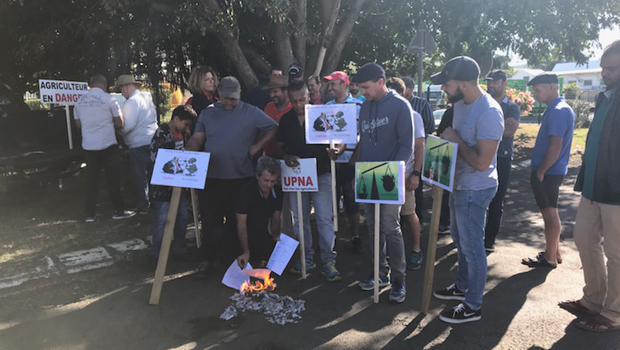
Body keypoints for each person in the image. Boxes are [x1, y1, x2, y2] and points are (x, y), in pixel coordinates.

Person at [430, 56, 504, 324]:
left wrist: (455, 140)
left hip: (476, 189)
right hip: (458, 185)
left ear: (462, 84)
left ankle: (473, 305)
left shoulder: (489, 112)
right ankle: (462, 287)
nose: (443, 89)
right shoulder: (460, 105)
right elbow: (451, 143)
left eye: (446, 84)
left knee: (473, 248)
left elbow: (483, 163)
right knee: (461, 244)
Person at [185, 76, 278, 279]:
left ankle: (236, 259)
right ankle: (209, 259)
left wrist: (256, 146)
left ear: (239, 96)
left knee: (239, 222)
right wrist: (190, 149)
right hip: (212, 177)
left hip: (241, 178)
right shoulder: (208, 114)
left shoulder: (250, 111)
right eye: (225, 98)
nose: (228, 102)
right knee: (210, 220)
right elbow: (197, 138)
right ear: (219, 95)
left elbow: (273, 127)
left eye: (233, 99)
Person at [560, 40, 620, 332]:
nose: (604, 72)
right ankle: (593, 300)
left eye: (611, 68)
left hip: (616, 192)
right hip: (593, 186)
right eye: (603, 67)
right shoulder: (605, 96)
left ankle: (614, 312)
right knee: (584, 239)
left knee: (617, 252)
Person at [351, 63, 414, 303]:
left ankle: (399, 278)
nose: (362, 92)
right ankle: (379, 272)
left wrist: (393, 171)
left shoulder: (400, 105)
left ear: (380, 82)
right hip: (367, 175)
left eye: (366, 87)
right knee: (372, 228)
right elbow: (365, 141)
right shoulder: (365, 107)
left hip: (389, 176)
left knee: (390, 227)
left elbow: (407, 145)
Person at [276, 80, 341, 282]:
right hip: (298, 175)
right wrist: (285, 156)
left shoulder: (323, 114)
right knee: (299, 220)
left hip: (322, 173)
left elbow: (340, 140)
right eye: (294, 101)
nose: (298, 105)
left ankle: (329, 261)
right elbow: (278, 146)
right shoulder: (286, 120)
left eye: (302, 100)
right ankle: (306, 258)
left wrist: (337, 150)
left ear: (309, 95)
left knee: (324, 218)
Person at [521, 73, 574, 269]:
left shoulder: (558, 111)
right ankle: (554, 252)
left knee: (549, 214)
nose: (535, 94)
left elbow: (556, 145)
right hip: (554, 170)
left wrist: (542, 169)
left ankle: (550, 257)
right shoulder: (560, 108)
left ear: (552, 86)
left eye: (538, 89)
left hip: (549, 171)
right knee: (551, 212)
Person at [74, 74, 135, 223]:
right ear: (104, 85)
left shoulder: (79, 101)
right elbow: (120, 123)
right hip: (107, 144)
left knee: (91, 181)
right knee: (113, 179)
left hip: (89, 146)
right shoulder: (109, 99)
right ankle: (118, 211)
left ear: (90, 85)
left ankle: (90, 214)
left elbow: (78, 125)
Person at [385, 77, 426, 270]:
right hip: (384, 176)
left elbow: (420, 145)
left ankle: (416, 250)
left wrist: (415, 174)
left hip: (404, 176)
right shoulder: (383, 114)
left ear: (403, 94)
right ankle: (386, 255)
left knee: (409, 214)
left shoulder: (414, 115)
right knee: (385, 218)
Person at [149, 105, 198, 260]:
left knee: (182, 217)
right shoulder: (161, 133)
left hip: (179, 185)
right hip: (163, 187)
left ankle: (179, 249)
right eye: (186, 123)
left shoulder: (181, 134)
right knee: (162, 219)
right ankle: (156, 253)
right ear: (176, 119)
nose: (187, 127)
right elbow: (154, 158)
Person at [323, 70, 364, 253]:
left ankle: (355, 236)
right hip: (331, 162)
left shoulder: (359, 106)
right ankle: (333, 238)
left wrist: (353, 160)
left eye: (333, 83)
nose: (330, 87)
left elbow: (363, 136)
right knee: (331, 202)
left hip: (350, 162)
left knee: (351, 202)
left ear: (344, 85)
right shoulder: (326, 106)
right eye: (329, 84)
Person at [483, 70, 521, 252]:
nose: (491, 85)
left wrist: (485, 131)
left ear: (504, 83)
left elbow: (509, 132)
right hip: (483, 156)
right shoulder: (483, 104)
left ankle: (489, 240)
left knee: (497, 201)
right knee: (479, 198)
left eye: (495, 82)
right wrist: (499, 128)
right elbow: (502, 130)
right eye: (489, 81)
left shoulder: (512, 107)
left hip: (502, 158)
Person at [116, 74, 158, 213]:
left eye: (122, 89)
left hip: (138, 143)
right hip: (151, 140)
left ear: (127, 87)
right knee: (152, 174)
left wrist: (118, 132)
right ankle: (155, 202)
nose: (122, 93)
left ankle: (143, 205)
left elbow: (128, 125)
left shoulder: (132, 102)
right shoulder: (147, 98)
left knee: (140, 176)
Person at [235, 156, 283, 269]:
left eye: (272, 181)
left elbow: (276, 218)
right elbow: (241, 225)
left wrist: (276, 236)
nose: (269, 185)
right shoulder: (245, 192)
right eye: (265, 180)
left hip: (261, 233)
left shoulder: (277, 192)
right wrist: (245, 251)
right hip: (241, 234)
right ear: (257, 176)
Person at [402, 76, 435, 225]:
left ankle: (419, 218)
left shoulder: (421, 104)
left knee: (417, 188)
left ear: (409, 88)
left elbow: (429, 126)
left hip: (418, 152)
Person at [263, 74, 292, 156]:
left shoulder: (294, 109)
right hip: (269, 156)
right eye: (270, 92)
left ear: (286, 91)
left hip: (288, 157)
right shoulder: (268, 107)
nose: (272, 95)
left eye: (275, 91)